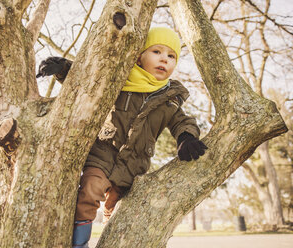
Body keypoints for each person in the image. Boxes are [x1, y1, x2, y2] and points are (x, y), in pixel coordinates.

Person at [37, 27, 207, 248]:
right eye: (156, 52)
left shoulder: (170, 98)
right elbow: (90, 81)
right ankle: (79, 244)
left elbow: (182, 121)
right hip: (104, 153)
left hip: (133, 165)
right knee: (90, 189)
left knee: (117, 210)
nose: (164, 59)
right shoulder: (120, 79)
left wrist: (186, 137)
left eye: (171, 56)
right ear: (139, 56)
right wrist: (63, 68)